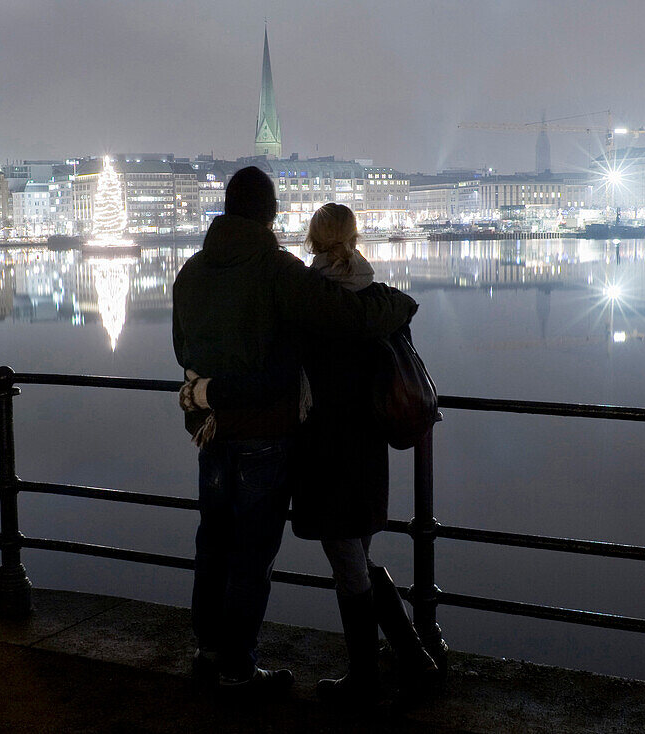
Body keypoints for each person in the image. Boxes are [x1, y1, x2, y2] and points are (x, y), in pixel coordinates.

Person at [171, 168, 417, 694]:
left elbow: (182, 350)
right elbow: (347, 318)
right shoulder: (277, 270)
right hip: (264, 434)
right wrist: (398, 303)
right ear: (271, 213)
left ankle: (207, 650)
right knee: (252, 555)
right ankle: (239, 667)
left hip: (210, 432)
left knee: (212, 543)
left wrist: (212, 390)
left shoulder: (190, 271)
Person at [290, 203, 438, 704]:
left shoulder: (308, 300)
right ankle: (412, 655)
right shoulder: (380, 299)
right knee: (356, 550)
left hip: (324, 446)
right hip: (369, 446)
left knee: (345, 553)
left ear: (312, 241)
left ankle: (371, 676)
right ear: (355, 239)